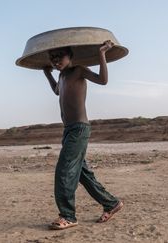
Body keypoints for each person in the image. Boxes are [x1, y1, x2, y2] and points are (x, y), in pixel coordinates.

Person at [43, 40, 123, 230]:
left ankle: (68, 215)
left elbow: (103, 80)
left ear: (70, 56)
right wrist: (47, 74)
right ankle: (111, 203)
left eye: (59, 57)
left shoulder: (78, 70)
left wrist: (101, 53)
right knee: (82, 174)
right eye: (52, 58)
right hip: (69, 130)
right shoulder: (61, 76)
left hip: (79, 129)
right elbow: (56, 90)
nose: (55, 61)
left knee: (64, 171)